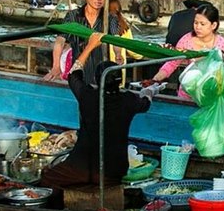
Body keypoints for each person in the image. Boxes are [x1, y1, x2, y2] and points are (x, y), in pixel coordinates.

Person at [41, 33, 153, 188]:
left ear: (96, 79)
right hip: (112, 172)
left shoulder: (87, 95)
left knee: (46, 177)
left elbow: (74, 74)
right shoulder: (128, 100)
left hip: (81, 167)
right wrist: (151, 90)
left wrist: (90, 46)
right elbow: (146, 102)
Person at [44, 0, 120, 83]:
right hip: (78, 74)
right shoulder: (73, 16)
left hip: (101, 76)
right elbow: (60, 41)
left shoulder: (110, 18)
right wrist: (56, 66)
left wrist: (118, 54)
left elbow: (116, 39)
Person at [150, 2, 224, 98]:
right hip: (188, 93)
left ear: (213, 25)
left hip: (212, 95)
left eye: (202, 24)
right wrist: (155, 80)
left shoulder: (222, 44)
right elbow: (172, 63)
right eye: (195, 23)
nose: (198, 27)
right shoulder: (186, 40)